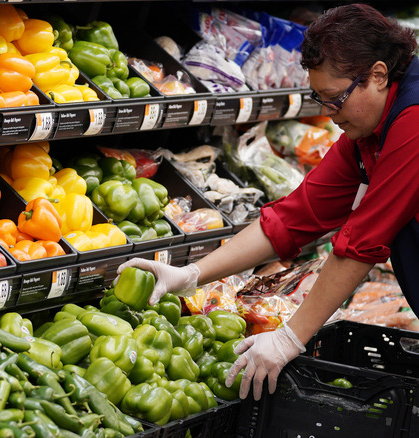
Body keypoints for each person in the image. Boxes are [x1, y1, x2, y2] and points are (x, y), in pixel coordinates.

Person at [118, 3, 419, 401]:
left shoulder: (413, 120)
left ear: (378, 75)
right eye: (319, 99)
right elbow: (295, 216)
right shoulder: (370, 128)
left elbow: (362, 241)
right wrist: (190, 275)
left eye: (335, 99)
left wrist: (289, 339)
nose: (329, 115)